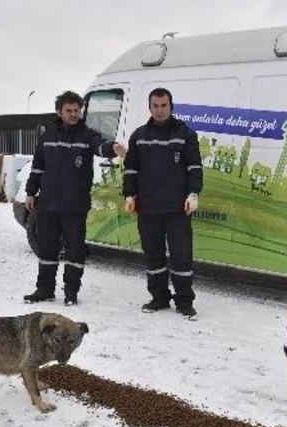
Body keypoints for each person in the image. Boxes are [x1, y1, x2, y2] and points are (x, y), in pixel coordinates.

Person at [23, 91, 126, 306]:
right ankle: (44, 289)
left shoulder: (87, 134)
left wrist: (112, 148)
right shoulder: (48, 135)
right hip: (48, 205)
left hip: (75, 206)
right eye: (68, 111)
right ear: (59, 111)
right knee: (47, 250)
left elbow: (100, 145)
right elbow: (38, 167)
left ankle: (71, 292)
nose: (73, 114)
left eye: (76, 110)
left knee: (75, 252)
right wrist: (31, 192)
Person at [122, 88, 203, 319]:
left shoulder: (186, 134)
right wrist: (129, 194)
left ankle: (184, 301)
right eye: (155, 106)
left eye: (163, 105)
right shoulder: (139, 136)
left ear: (171, 106)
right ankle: (159, 298)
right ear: (149, 107)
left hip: (178, 209)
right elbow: (130, 169)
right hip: (148, 209)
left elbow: (194, 167)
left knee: (181, 257)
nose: (159, 110)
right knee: (153, 257)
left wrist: (193, 193)